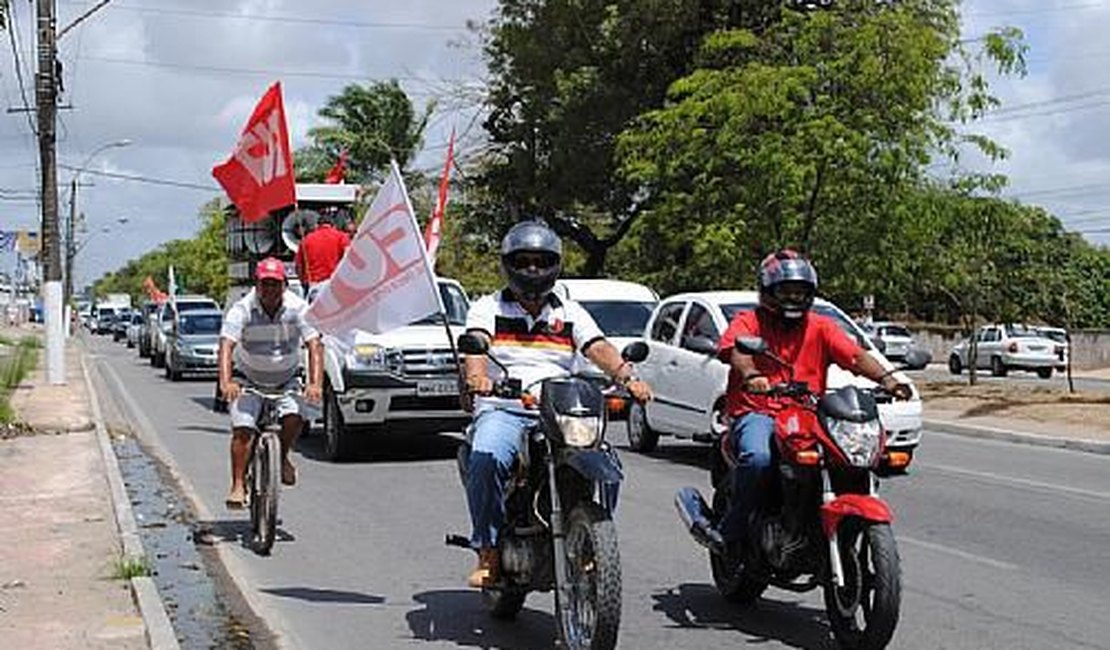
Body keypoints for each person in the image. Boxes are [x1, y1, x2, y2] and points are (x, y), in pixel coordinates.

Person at [460, 220, 654, 588]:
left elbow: (598, 348)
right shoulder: (488, 308)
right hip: (506, 407)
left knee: (607, 462)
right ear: (509, 264)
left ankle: (592, 537)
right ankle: (487, 549)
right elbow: (476, 345)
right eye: (524, 261)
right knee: (486, 455)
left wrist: (628, 378)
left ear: (555, 265)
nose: (533, 269)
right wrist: (478, 378)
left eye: (541, 261)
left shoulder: (570, 312)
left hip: (559, 409)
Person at [714, 249, 913, 550]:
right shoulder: (750, 322)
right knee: (759, 459)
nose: (794, 298)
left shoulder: (821, 327)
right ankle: (732, 531)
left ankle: (812, 523)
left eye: (800, 291)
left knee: (849, 457)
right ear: (768, 291)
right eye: (786, 291)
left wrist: (888, 380)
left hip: (808, 414)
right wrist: (752, 375)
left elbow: (855, 357)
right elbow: (738, 351)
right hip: (758, 411)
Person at [218, 257, 324, 509]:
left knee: (296, 416)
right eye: (265, 284)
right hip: (248, 380)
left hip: (286, 379)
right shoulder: (242, 309)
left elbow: (314, 345)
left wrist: (315, 383)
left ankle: (282, 456)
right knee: (243, 429)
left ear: (284, 286)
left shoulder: (299, 308)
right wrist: (226, 382)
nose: (270, 290)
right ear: (256, 285)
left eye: (275, 284)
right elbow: (226, 345)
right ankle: (237, 484)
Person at [294, 209, 351, 296]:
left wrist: (304, 283)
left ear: (317, 226)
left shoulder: (306, 240)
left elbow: (299, 266)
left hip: (313, 286)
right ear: (333, 226)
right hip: (335, 286)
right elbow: (349, 261)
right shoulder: (342, 237)